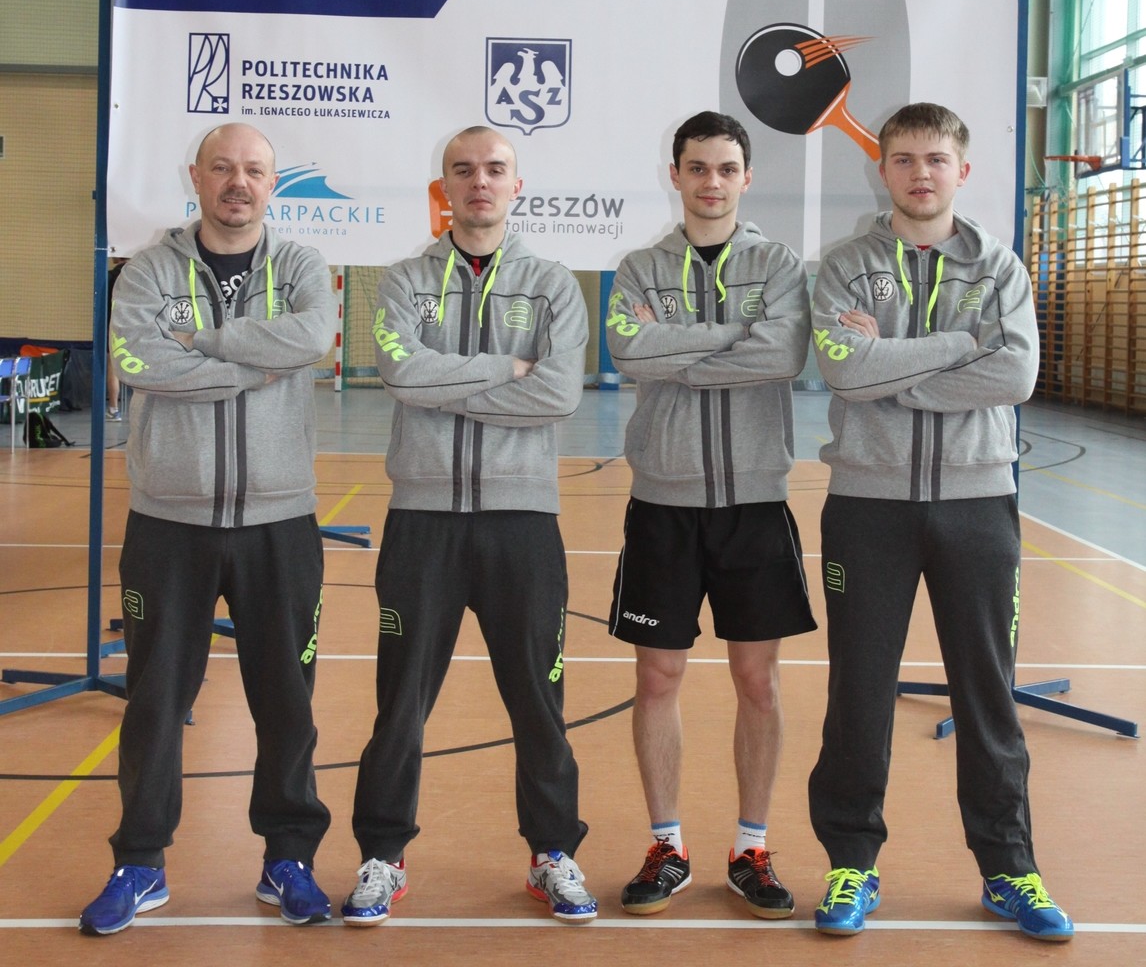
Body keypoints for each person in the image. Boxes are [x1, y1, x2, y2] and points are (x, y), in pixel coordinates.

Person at [807, 102, 1072, 940]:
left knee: (988, 692)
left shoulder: (999, 267)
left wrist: (891, 365)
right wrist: (961, 345)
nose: (920, 173)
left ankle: (1010, 869)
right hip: (868, 507)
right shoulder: (845, 266)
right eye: (904, 159)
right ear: (881, 169)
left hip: (978, 503)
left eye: (935, 159)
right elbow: (846, 374)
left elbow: (1016, 376)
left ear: (962, 170)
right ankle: (852, 861)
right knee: (858, 692)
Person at [79, 123, 337, 936]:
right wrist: (258, 365)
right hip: (170, 522)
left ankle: (288, 859)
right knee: (155, 702)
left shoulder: (301, 266)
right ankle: (140, 863)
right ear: (196, 176)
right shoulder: (149, 270)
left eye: (254, 170)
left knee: (287, 703)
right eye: (222, 167)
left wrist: (203, 343)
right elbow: (138, 361)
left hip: (280, 522)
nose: (238, 182)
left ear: (272, 184)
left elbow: (311, 339)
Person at [342, 125, 595, 926]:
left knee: (539, 701)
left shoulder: (553, 285)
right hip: (423, 522)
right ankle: (383, 854)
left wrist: (450, 382)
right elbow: (400, 373)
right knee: (400, 703)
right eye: (464, 170)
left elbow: (557, 394)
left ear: (517, 186)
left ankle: (552, 852)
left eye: (495, 169)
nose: (479, 182)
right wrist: (505, 370)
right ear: (444, 188)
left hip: (523, 522)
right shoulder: (403, 281)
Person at [604, 110, 817, 918]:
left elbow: (784, 354)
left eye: (726, 168)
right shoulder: (638, 267)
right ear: (676, 175)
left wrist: (677, 348)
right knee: (657, 677)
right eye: (697, 167)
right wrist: (735, 341)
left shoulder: (778, 263)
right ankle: (667, 844)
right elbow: (627, 352)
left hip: (754, 503)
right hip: (664, 503)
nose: (712, 182)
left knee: (757, 681)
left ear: (746, 177)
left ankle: (750, 847)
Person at [106, 256, 128, 420]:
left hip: (114, 326)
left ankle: (114, 409)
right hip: (136, 326)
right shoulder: (140, 273)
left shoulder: (110, 277)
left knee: (113, 367)